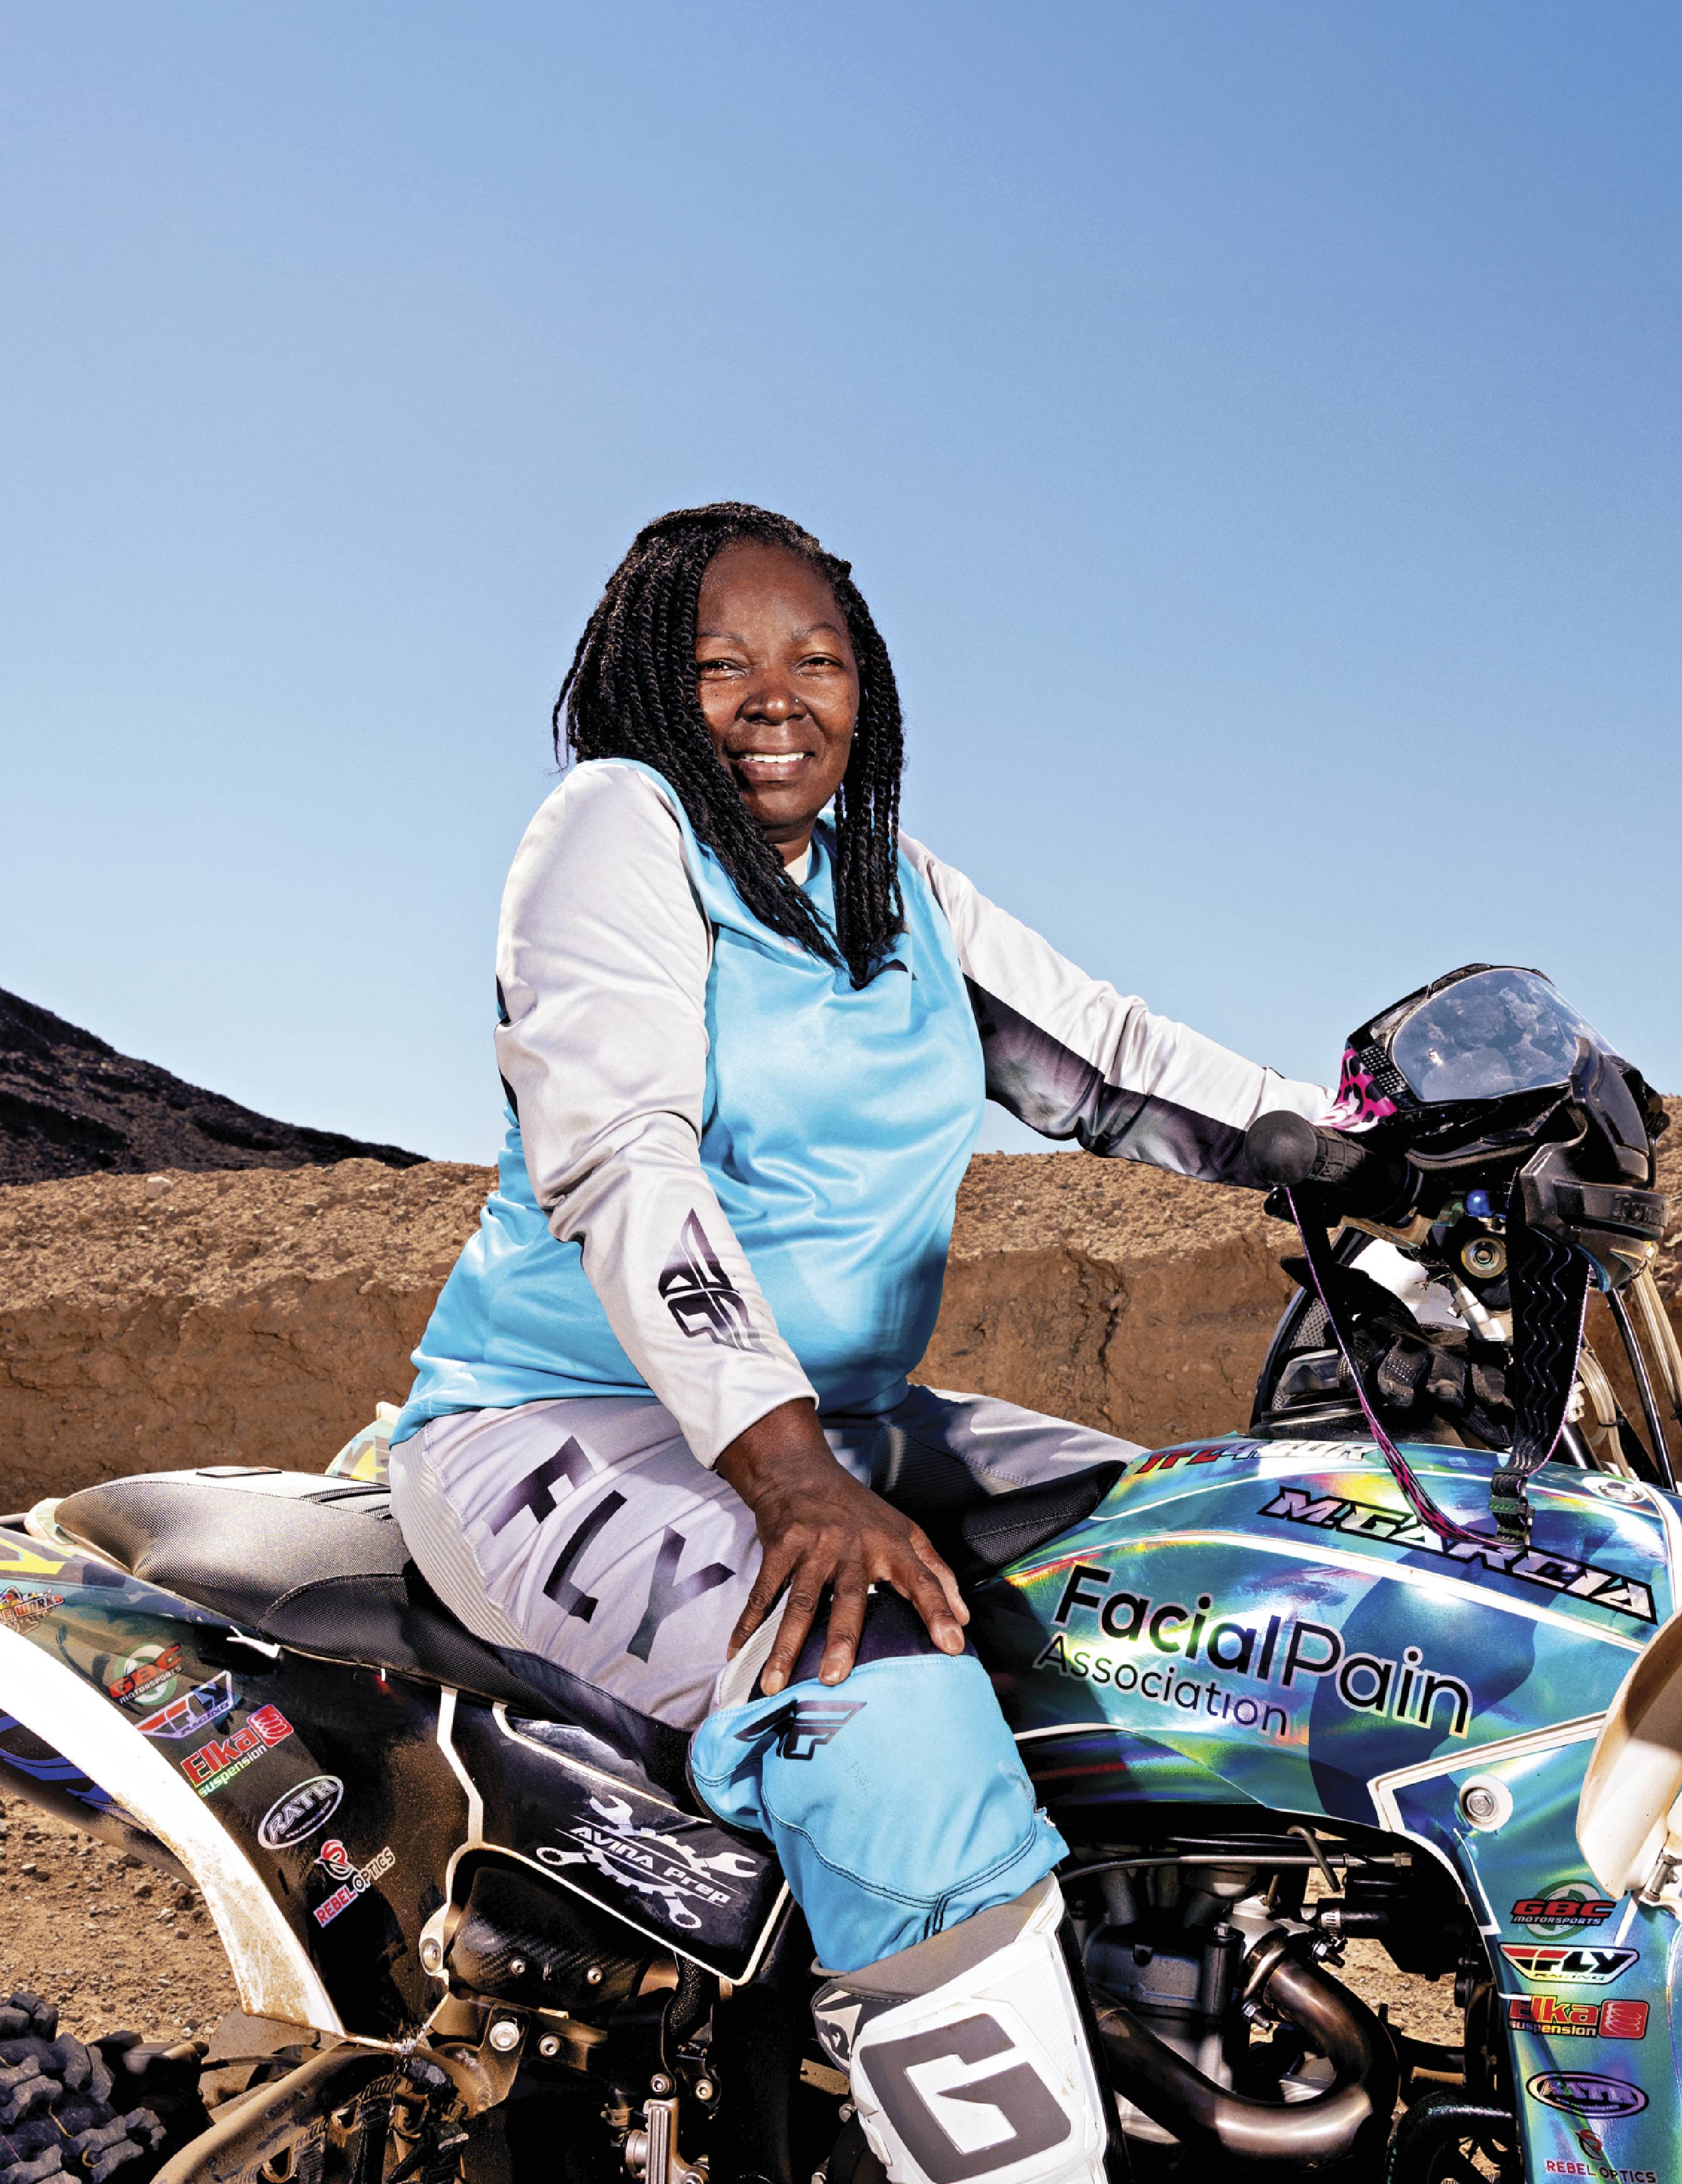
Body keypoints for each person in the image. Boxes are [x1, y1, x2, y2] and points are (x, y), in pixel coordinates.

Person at [389, 502, 1328, 2184]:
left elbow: (1114, 1066)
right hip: (563, 1428)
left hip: (842, 1423)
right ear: (650, 686)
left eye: (813, 659)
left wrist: (1384, 1149)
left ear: (865, 688)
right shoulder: (618, 827)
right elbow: (620, 1155)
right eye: (721, 661)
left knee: (1200, 1562)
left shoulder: (898, 894)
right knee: (876, 1698)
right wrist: (787, 1474)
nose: (774, 697)